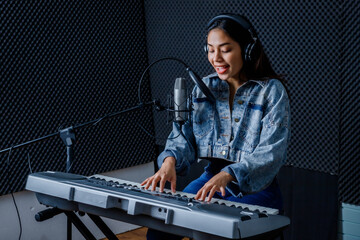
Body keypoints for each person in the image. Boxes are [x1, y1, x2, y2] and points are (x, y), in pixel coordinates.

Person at [141, 13, 291, 240]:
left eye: (226, 49)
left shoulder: (271, 91)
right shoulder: (203, 88)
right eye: (211, 50)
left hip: (255, 188)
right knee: (161, 226)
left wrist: (229, 175)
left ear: (247, 49)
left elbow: (271, 153)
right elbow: (184, 137)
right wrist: (169, 161)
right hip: (210, 180)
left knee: (214, 231)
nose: (216, 58)